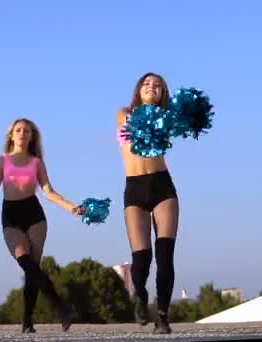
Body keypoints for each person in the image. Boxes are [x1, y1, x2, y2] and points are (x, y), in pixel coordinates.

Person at [0, 118, 83, 333]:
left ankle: (28, 321)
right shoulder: (2, 161)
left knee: (33, 271)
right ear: (11, 134)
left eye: (26, 131)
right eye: (18, 130)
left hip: (34, 214)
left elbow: (49, 192)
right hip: (11, 215)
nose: (22, 133)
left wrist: (71, 207)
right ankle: (62, 307)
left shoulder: (37, 162)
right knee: (27, 264)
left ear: (31, 136)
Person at [117, 72, 179, 334]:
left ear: (163, 93)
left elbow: (177, 125)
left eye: (158, 85)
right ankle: (140, 295)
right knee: (141, 258)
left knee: (165, 255)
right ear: (138, 89)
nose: (152, 87)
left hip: (162, 185)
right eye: (147, 84)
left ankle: (163, 316)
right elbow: (135, 129)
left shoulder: (167, 117)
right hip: (135, 188)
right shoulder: (124, 112)